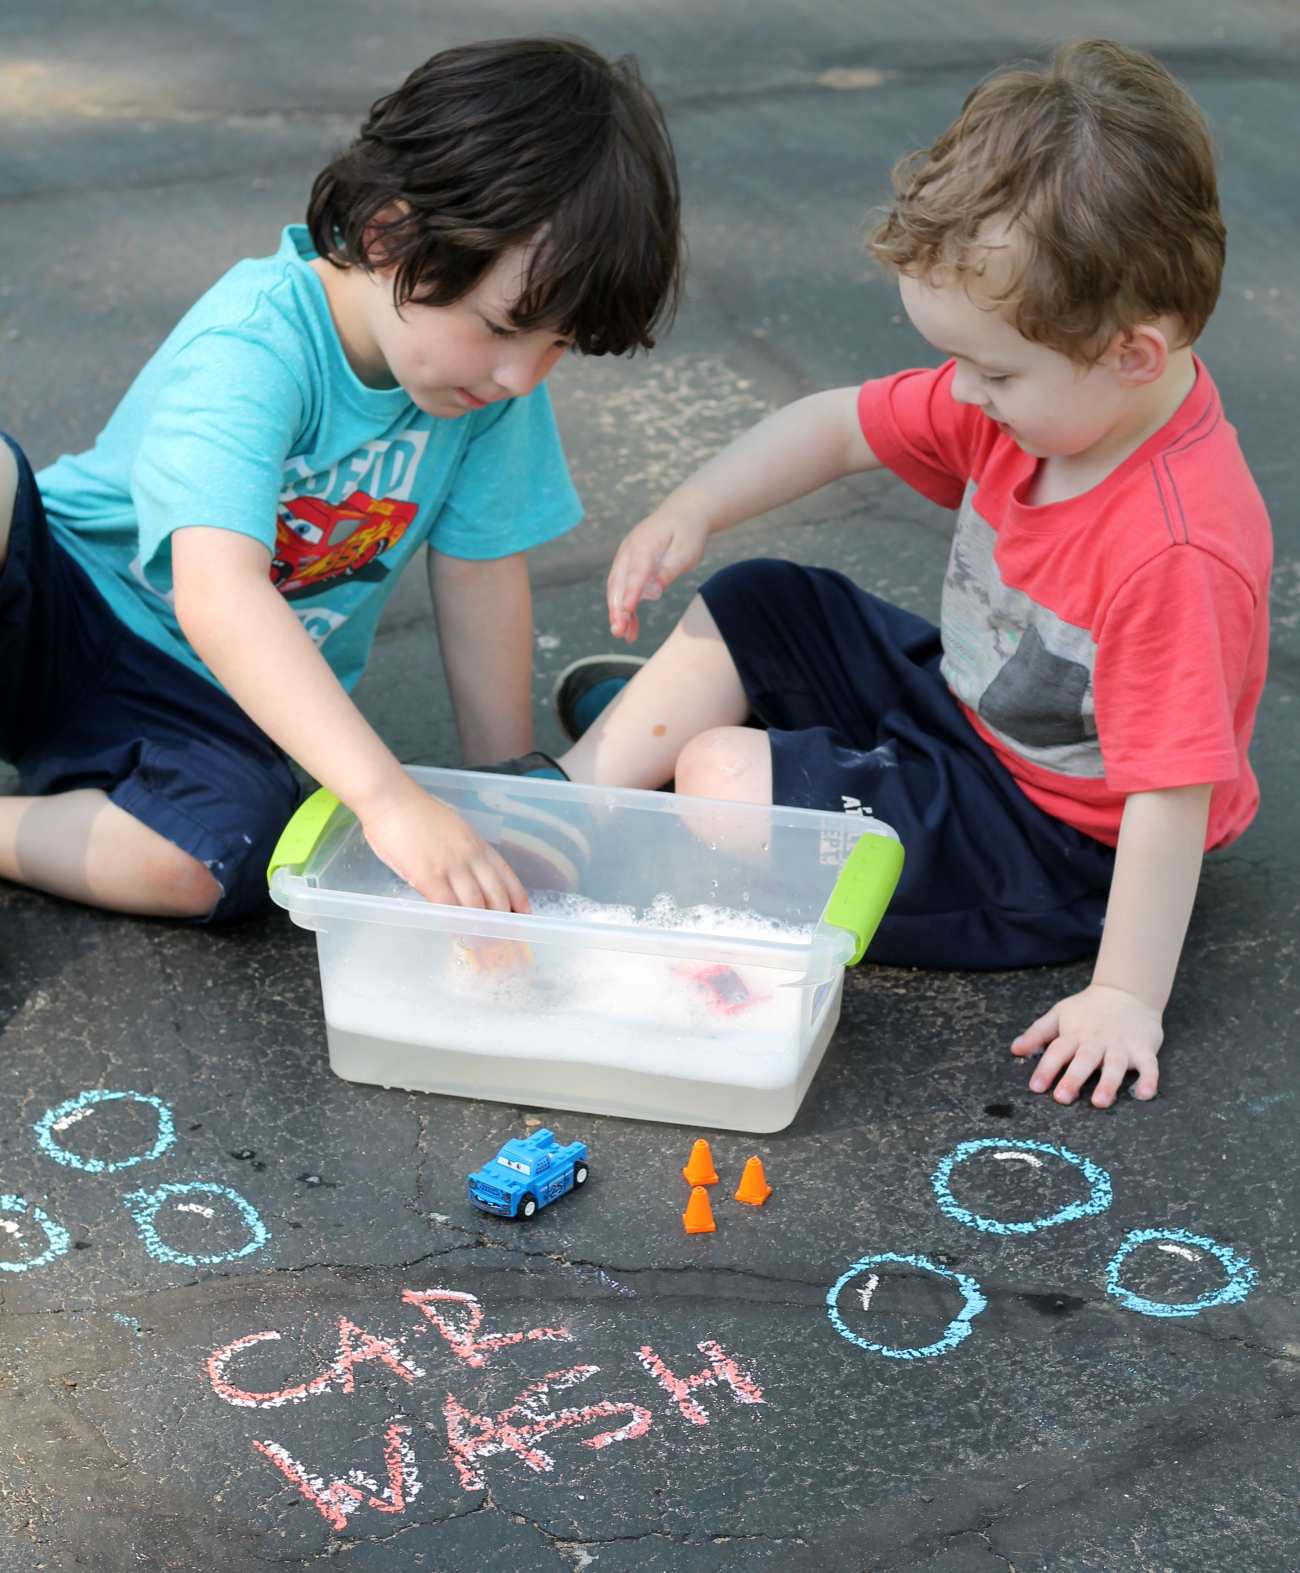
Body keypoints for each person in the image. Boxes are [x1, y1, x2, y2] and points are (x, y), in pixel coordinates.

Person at [540, 40, 1272, 1109]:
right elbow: (839, 428)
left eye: (994, 371)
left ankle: (702, 770)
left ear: (1132, 354)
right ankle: (568, 803)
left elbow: (1169, 796)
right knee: (763, 599)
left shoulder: (1173, 549)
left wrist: (1124, 992)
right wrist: (690, 505)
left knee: (720, 775)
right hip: (964, 711)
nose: (964, 394)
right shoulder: (1050, 394)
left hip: (1053, 844)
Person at [0, 38, 682, 922]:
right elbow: (218, 593)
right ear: (389, 232)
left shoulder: (481, 387)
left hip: (202, 697)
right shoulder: (256, 343)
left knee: (224, 858)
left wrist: (505, 794)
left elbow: (481, 570)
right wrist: (388, 795)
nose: (524, 375)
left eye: (559, 345)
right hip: (58, 602)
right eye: (505, 327)